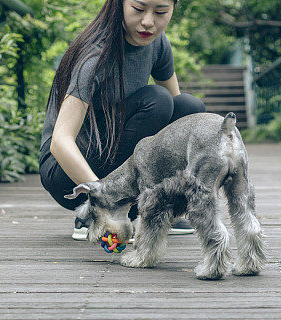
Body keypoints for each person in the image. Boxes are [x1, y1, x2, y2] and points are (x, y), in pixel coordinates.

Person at [39, 0, 206, 240]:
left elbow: (177, 120)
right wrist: (101, 198)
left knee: (190, 108)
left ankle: (154, 208)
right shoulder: (95, 54)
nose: (148, 22)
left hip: (111, 154)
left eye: (160, 12)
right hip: (65, 172)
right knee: (156, 100)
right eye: (138, 9)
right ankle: (93, 214)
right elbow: (60, 142)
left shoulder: (158, 43)